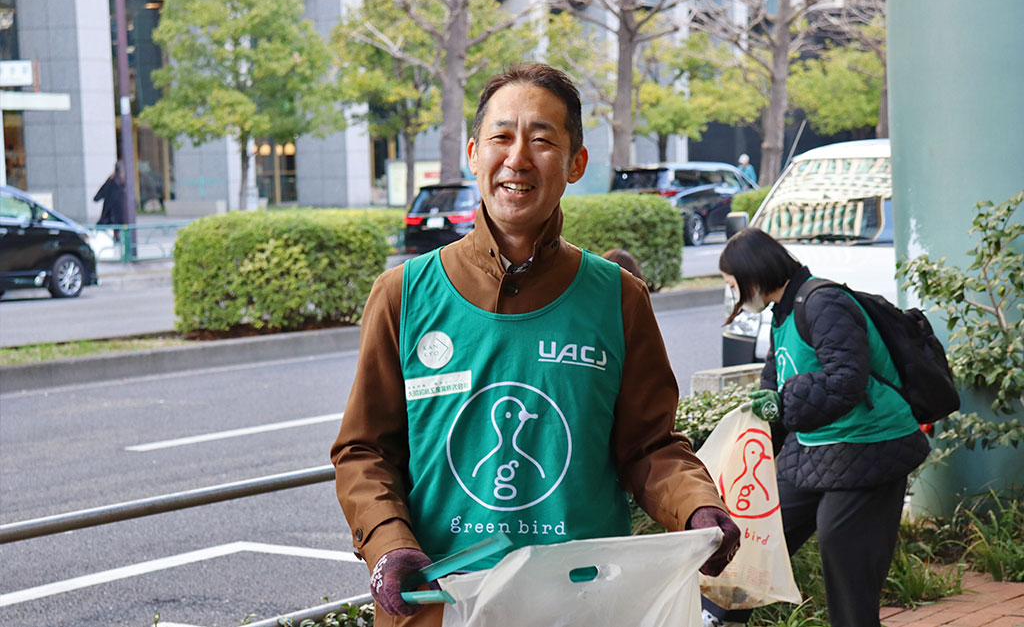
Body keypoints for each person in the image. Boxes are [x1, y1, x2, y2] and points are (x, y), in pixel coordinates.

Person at [331, 63, 740, 627]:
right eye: (501, 137)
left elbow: (649, 447)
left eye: (542, 139)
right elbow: (364, 451)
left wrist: (697, 507)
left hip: (580, 606)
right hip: (438, 607)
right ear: (473, 154)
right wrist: (387, 544)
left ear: (576, 163)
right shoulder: (403, 294)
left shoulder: (618, 297)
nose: (517, 158)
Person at [704, 227, 931, 627]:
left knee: (842, 546)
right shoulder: (782, 314)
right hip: (817, 446)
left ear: (754, 275)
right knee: (758, 527)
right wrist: (754, 439)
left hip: (870, 446)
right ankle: (718, 617)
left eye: (734, 285)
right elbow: (772, 388)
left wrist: (783, 402)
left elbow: (847, 378)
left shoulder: (824, 302)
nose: (736, 298)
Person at [94, 160, 127, 239]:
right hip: (114, 209)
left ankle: (116, 237)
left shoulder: (115, 179)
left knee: (116, 224)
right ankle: (115, 237)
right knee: (115, 224)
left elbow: (103, 190)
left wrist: (97, 198)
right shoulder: (115, 180)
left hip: (115, 209)